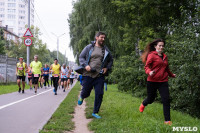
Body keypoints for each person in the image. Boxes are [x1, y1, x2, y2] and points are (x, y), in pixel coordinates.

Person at [140, 39, 176, 125]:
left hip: (163, 81)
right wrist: (150, 72)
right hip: (152, 81)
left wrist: (171, 75)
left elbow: (166, 68)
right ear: (155, 46)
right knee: (151, 99)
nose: (161, 47)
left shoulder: (165, 56)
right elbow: (146, 67)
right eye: (159, 45)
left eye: (162, 46)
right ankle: (143, 103)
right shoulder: (151, 55)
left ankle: (167, 121)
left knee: (166, 100)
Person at [78, 32, 113, 119]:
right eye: (102, 37)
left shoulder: (105, 50)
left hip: (99, 75)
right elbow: (81, 57)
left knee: (99, 94)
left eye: (104, 38)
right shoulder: (89, 47)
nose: (103, 39)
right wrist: (86, 66)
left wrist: (106, 68)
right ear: (96, 38)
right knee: (86, 92)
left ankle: (95, 112)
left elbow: (111, 60)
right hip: (88, 74)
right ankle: (82, 96)